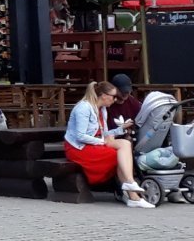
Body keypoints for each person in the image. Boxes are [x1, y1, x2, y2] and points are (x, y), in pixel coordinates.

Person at [63, 79, 152, 207]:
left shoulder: (102, 109)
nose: (115, 100)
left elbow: (104, 132)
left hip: (93, 143)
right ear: (104, 96)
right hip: (78, 147)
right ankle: (131, 193)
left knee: (125, 144)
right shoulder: (83, 108)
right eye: (113, 96)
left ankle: (130, 186)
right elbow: (80, 136)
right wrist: (102, 141)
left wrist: (121, 129)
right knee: (117, 155)